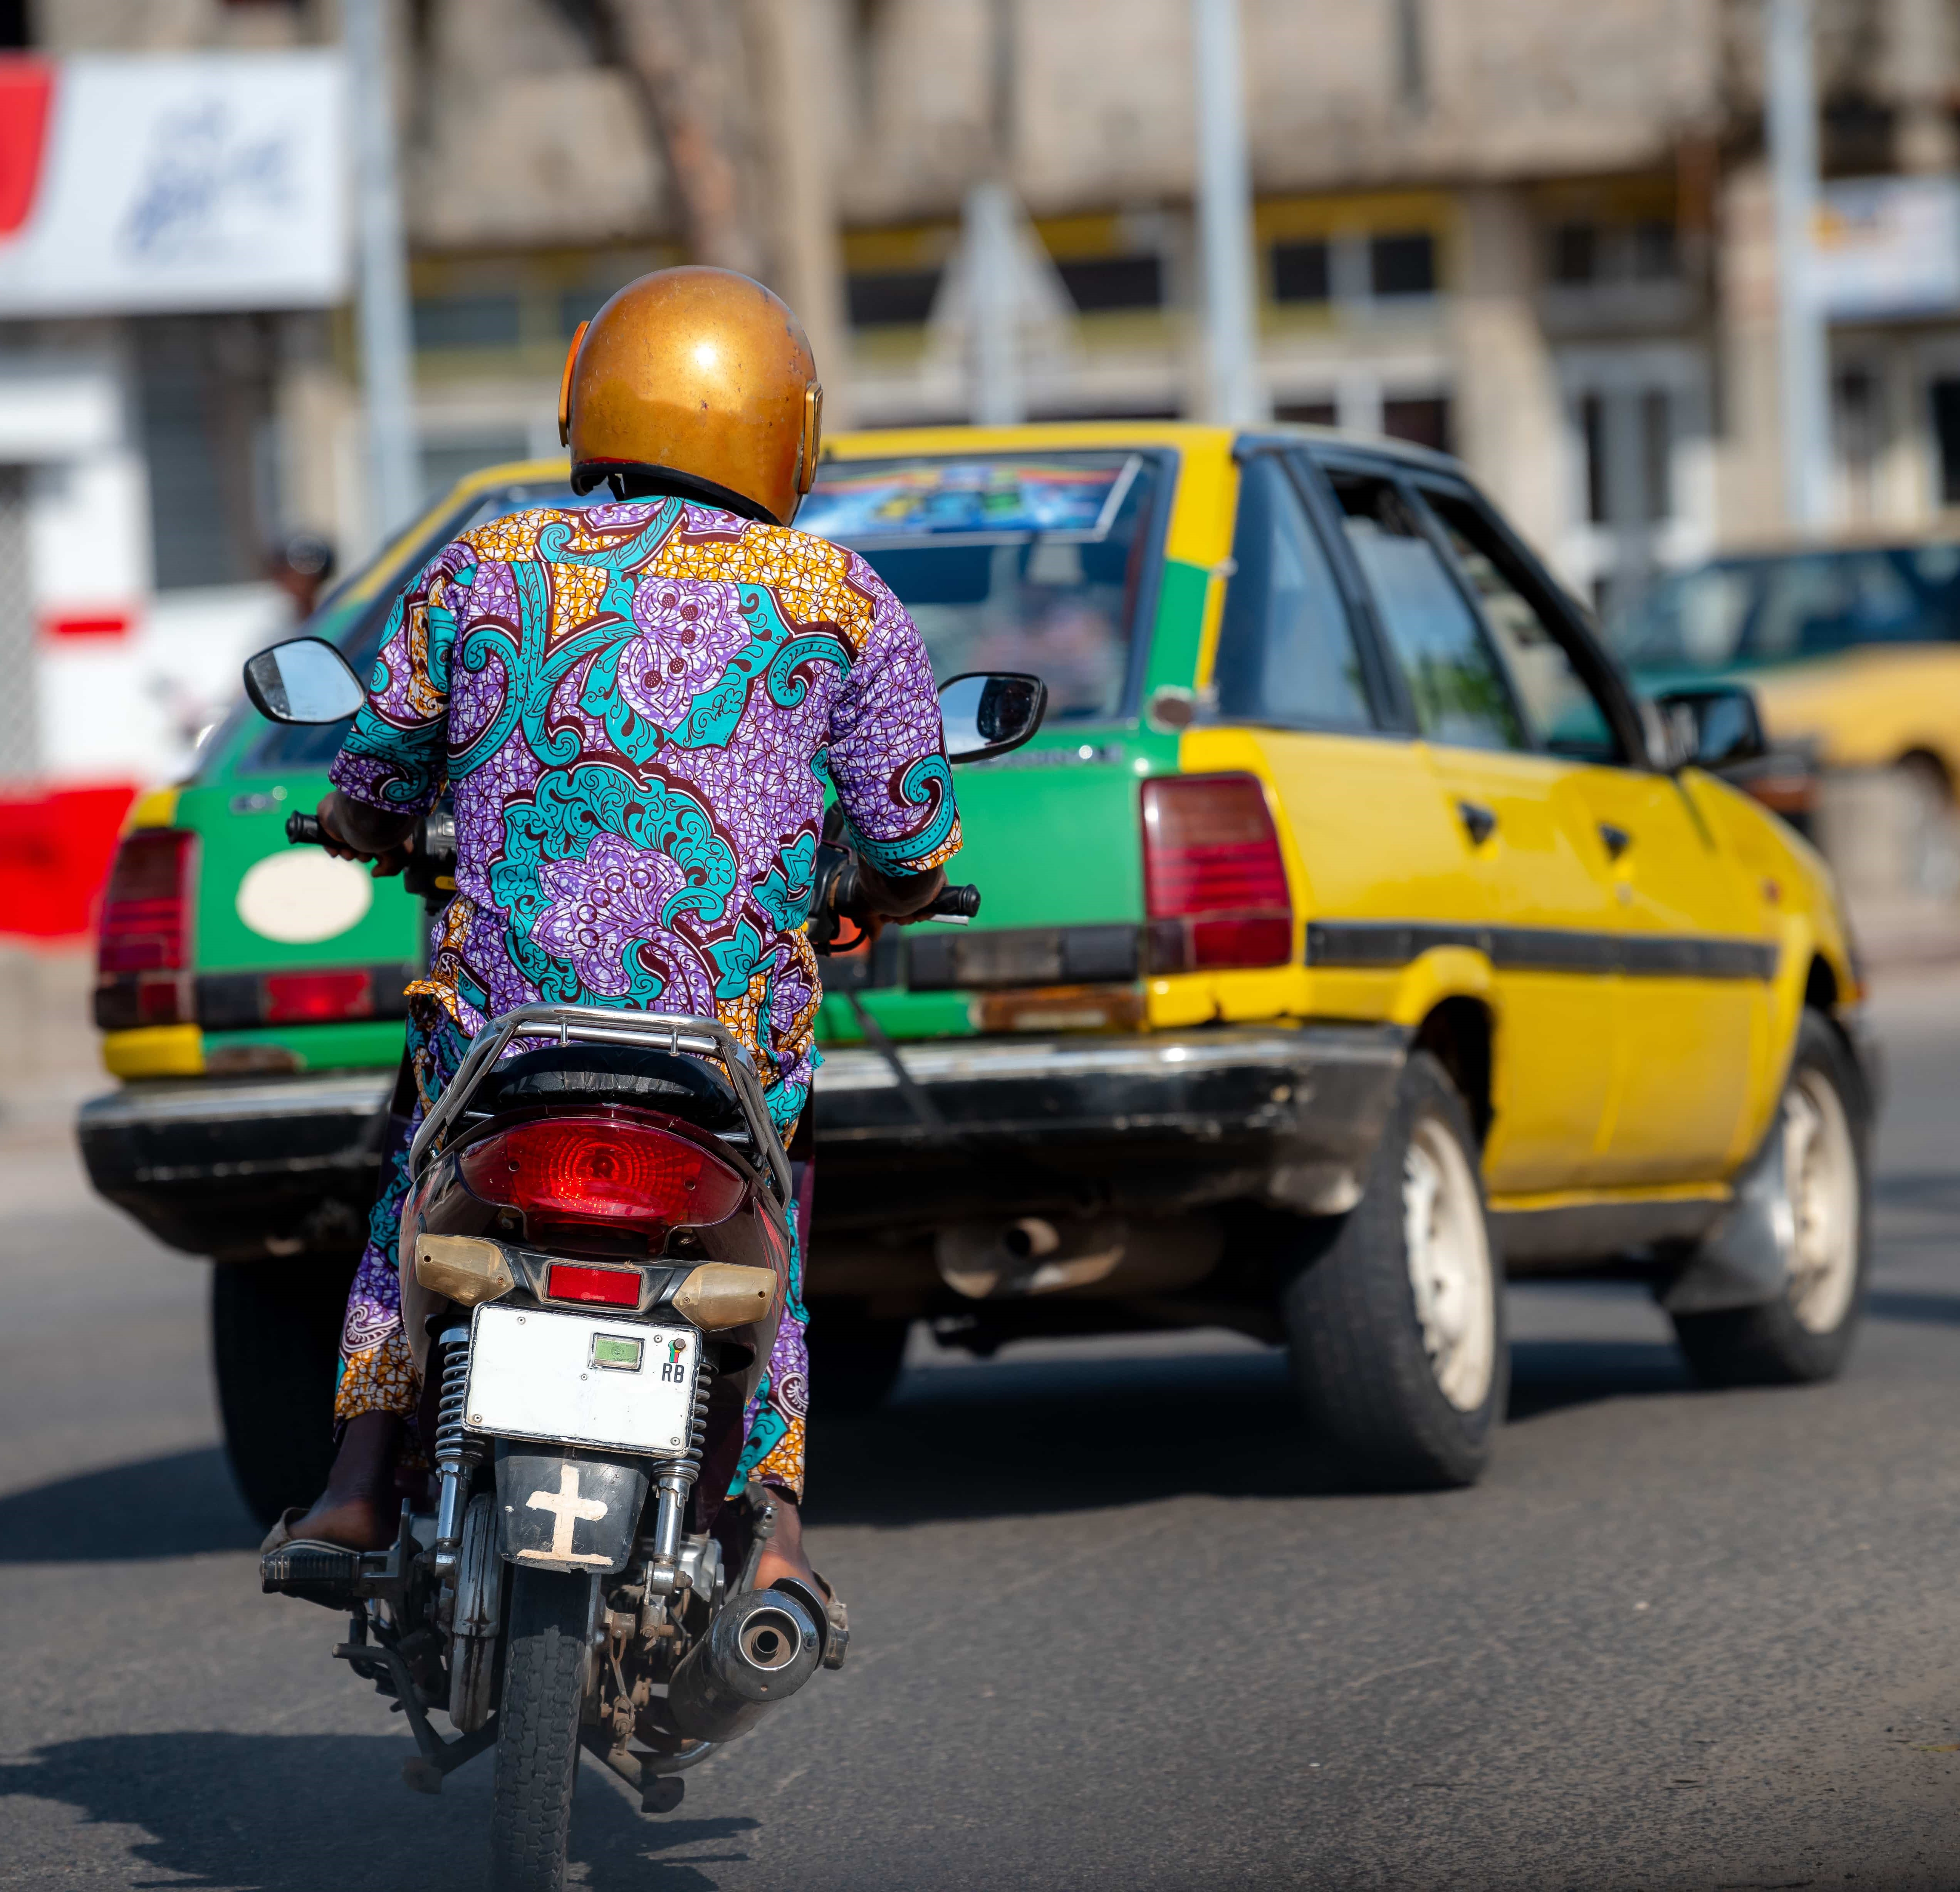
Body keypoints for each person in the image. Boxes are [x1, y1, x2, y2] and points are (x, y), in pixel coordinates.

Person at [265, 266, 959, 1600]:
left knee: (414, 1179)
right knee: (773, 1227)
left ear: (589, 395)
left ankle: (356, 1481)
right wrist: (893, 893)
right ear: (788, 428)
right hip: (723, 1039)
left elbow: (376, 772)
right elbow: (913, 841)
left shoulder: (489, 561)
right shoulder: (843, 596)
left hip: (508, 1027)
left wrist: (358, 826)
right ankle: (774, 1534)